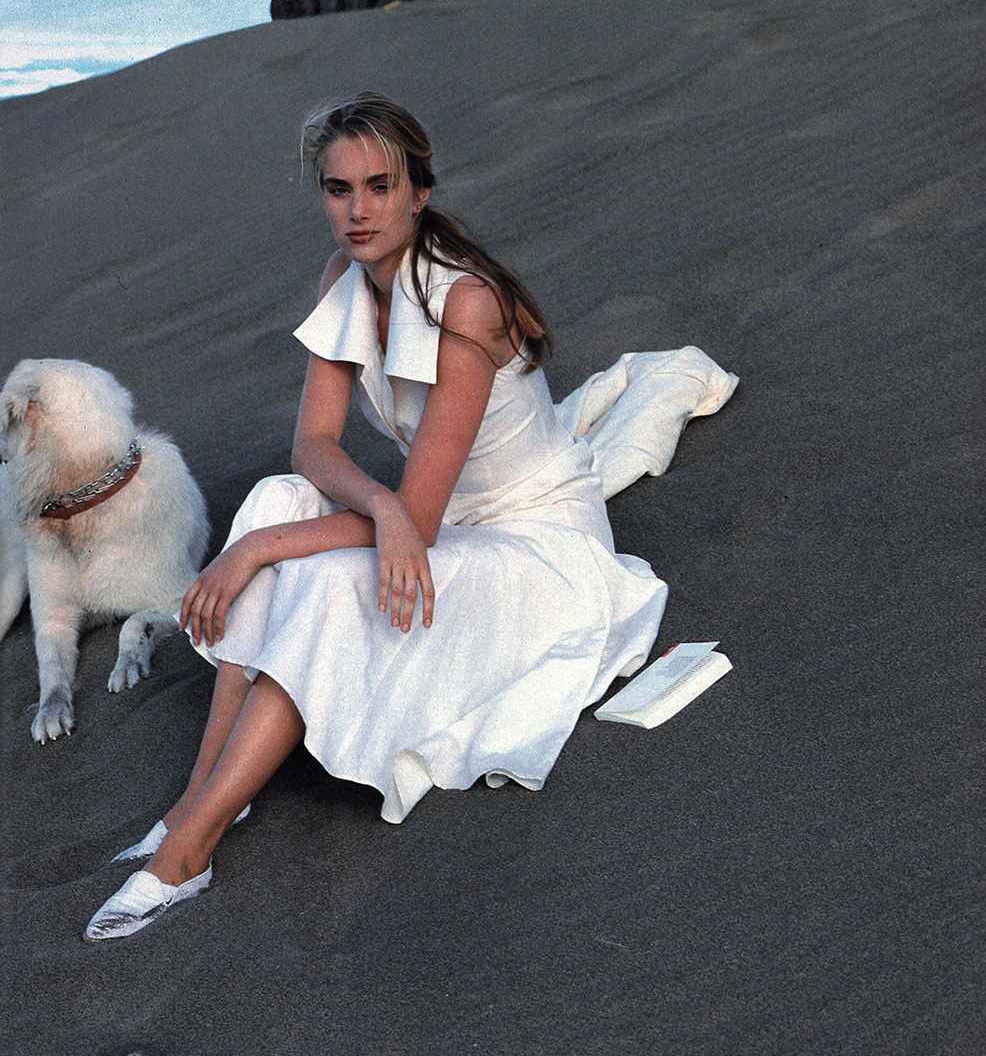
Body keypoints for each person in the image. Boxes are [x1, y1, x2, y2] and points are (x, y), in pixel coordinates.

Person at [84, 92, 729, 943]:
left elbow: (419, 521)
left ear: (418, 193)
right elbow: (312, 444)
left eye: (379, 187)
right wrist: (379, 504)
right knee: (276, 496)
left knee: (312, 575)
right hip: (433, 518)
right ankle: (199, 803)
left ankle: (187, 855)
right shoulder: (342, 282)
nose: (357, 210)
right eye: (338, 188)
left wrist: (263, 551)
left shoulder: (467, 305)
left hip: (537, 550)